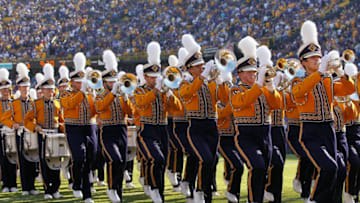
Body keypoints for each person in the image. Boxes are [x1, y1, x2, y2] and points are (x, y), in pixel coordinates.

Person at [291, 20, 355, 203]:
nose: (317, 60)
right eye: (312, 58)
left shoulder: (327, 79)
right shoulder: (299, 80)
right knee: (328, 167)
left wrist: (341, 72)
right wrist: (320, 73)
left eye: (318, 56)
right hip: (311, 132)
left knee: (341, 168)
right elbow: (299, 93)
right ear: (303, 62)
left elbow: (349, 89)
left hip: (329, 129)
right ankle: (315, 200)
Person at [179, 34, 228, 203]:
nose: (201, 68)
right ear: (189, 69)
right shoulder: (185, 84)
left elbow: (224, 99)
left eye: (202, 65)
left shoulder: (209, 82)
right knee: (205, 158)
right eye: (198, 66)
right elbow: (187, 94)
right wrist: (204, 76)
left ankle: (204, 194)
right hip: (196, 127)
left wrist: (221, 81)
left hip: (212, 126)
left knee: (212, 160)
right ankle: (197, 189)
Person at [134, 41, 181, 203]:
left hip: (163, 129)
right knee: (157, 159)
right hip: (147, 130)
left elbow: (178, 108)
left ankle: (159, 192)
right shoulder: (139, 90)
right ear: (145, 77)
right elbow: (141, 103)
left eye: (156, 77)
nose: (155, 80)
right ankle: (153, 188)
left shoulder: (163, 91)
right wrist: (155, 90)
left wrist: (168, 94)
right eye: (152, 77)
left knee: (162, 162)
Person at [95, 49, 132, 203]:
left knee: (122, 163)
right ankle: (110, 188)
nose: (113, 83)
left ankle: (118, 193)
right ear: (104, 83)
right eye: (110, 81)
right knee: (114, 159)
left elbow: (130, 111)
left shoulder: (121, 94)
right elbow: (100, 107)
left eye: (114, 80)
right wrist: (113, 94)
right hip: (108, 131)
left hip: (122, 130)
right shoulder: (101, 94)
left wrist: (125, 97)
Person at [61, 52, 97, 203]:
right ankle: (80, 188)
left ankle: (82, 185)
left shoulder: (88, 94)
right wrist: (83, 92)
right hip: (73, 129)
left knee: (92, 156)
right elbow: (69, 104)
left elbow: (95, 112)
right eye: (78, 81)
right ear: (72, 83)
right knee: (79, 157)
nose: (81, 84)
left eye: (82, 81)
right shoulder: (66, 94)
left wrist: (94, 96)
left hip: (89, 127)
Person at [24, 63, 64, 199]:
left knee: (57, 162)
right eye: (47, 90)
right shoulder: (36, 104)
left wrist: (63, 129)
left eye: (52, 89)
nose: (50, 92)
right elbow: (27, 121)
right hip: (43, 135)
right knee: (44, 162)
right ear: (42, 89)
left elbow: (62, 120)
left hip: (56, 134)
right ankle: (47, 189)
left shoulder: (58, 103)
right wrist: (35, 127)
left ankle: (56, 189)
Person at [1, 63, 40, 196]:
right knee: (22, 161)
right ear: (19, 88)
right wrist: (13, 124)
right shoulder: (14, 103)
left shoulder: (33, 102)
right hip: (20, 133)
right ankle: (25, 188)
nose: (25, 89)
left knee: (33, 160)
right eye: (22, 87)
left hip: (32, 133)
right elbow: (4, 119)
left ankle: (32, 186)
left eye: (27, 87)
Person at [0, 68, 17, 193]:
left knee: (13, 159)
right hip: (1, 133)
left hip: (13, 132)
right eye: (3, 89)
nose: (5, 91)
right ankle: (6, 184)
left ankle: (13, 183)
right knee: (3, 159)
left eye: (7, 89)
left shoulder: (14, 101)